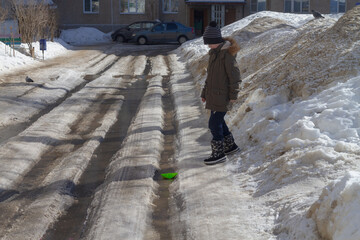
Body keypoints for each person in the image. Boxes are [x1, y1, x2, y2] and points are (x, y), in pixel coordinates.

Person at [201, 21, 241, 165]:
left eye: (209, 43)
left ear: (216, 41)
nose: (207, 45)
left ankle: (218, 154)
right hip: (214, 95)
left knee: (214, 123)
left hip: (223, 96)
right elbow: (210, 76)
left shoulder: (226, 56)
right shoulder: (214, 54)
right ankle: (230, 146)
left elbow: (235, 77)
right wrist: (204, 92)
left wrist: (233, 96)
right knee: (219, 121)